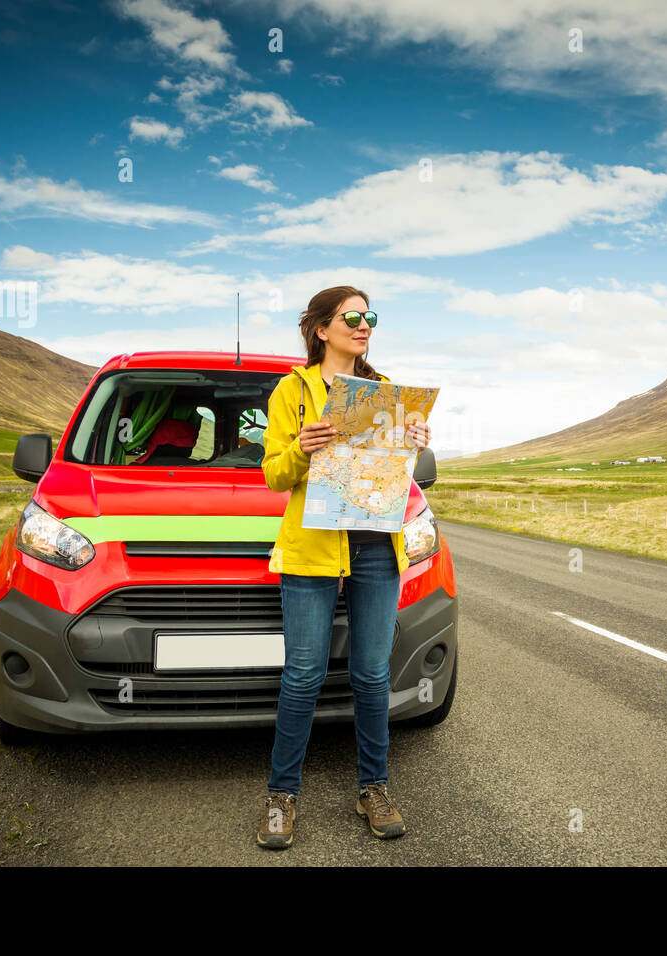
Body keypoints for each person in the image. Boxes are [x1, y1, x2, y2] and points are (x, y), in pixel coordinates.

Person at [256, 285, 431, 850]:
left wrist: (414, 443)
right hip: (311, 547)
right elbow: (274, 476)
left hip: (376, 546)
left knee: (372, 675)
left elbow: (393, 477)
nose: (364, 325)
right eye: (351, 316)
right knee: (303, 675)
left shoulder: (384, 392)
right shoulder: (292, 391)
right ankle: (282, 797)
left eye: (369, 316)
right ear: (321, 329)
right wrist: (300, 450)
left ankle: (373, 788)